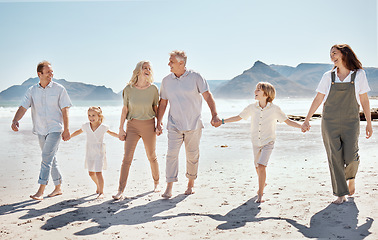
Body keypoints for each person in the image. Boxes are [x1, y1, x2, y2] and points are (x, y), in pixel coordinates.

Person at [302, 44, 373, 204]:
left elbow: (364, 100)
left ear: (344, 53)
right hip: (329, 121)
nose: (332, 56)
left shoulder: (359, 74)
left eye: (335, 53)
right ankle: (341, 194)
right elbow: (319, 99)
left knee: (351, 156)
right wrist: (307, 119)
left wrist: (369, 123)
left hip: (351, 121)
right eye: (330, 54)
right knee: (335, 157)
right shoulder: (328, 76)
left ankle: (351, 177)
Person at [156, 50, 222, 199]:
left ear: (181, 63)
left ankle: (190, 184)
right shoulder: (166, 81)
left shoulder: (196, 77)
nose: (168, 64)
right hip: (174, 124)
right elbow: (163, 103)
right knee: (171, 155)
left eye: (171, 61)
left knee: (192, 155)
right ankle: (169, 187)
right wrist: (158, 122)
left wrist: (214, 114)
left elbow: (207, 96)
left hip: (193, 123)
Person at [221, 82, 301, 203]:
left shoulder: (275, 109)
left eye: (258, 90)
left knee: (262, 166)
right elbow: (238, 117)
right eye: (256, 89)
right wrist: (222, 121)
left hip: (268, 142)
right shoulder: (251, 107)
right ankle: (263, 183)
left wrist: (302, 126)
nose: (255, 92)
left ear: (266, 94)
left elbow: (287, 121)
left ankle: (260, 193)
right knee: (257, 167)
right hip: (255, 142)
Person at [11, 61, 72, 201]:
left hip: (55, 128)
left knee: (46, 158)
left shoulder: (59, 89)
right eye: (48, 72)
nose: (52, 74)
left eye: (52, 71)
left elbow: (65, 110)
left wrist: (67, 129)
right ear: (40, 74)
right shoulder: (32, 90)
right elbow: (23, 107)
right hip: (40, 130)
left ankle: (41, 190)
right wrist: (15, 120)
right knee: (51, 159)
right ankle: (58, 187)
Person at [112, 61, 160, 200]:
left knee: (152, 156)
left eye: (149, 68)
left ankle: (156, 183)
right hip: (132, 126)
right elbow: (125, 110)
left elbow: (156, 109)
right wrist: (121, 128)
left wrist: (159, 125)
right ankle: (120, 190)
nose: (147, 70)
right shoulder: (128, 89)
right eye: (144, 67)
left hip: (148, 125)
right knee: (127, 158)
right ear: (138, 71)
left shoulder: (153, 89)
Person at [70, 106, 118, 199]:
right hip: (90, 152)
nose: (91, 117)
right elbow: (78, 131)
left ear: (99, 116)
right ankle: (98, 186)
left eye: (93, 115)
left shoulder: (103, 127)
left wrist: (121, 136)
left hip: (99, 152)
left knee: (98, 172)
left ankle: (101, 192)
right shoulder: (86, 126)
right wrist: (70, 136)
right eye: (89, 115)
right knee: (91, 173)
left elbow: (112, 133)